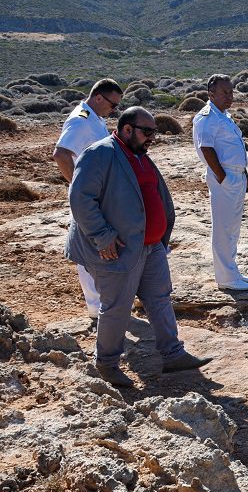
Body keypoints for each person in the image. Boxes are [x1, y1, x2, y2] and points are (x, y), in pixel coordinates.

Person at [66, 106, 212, 388]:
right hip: (116, 248)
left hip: (150, 245)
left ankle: (173, 354)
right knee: (117, 307)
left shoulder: (140, 156)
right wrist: (102, 236)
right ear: (127, 129)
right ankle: (106, 364)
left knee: (159, 298)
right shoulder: (100, 153)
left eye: (154, 132)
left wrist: (160, 235)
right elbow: (80, 198)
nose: (152, 138)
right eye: (147, 132)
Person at [53, 78, 123, 318]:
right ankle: (95, 306)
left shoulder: (95, 118)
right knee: (87, 246)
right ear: (99, 98)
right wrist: (78, 187)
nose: (114, 110)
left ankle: (101, 301)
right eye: (113, 105)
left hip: (97, 192)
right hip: (87, 195)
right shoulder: (80, 120)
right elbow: (61, 154)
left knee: (96, 244)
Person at [191, 74, 248, 290]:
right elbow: (206, 148)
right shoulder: (207, 117)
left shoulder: (224, 116)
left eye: (231, 91)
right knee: (223, 228)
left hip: (235, 176)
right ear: (211, 93)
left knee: (232, 228)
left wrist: (245, 176)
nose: (230, 96)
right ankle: (226, 278)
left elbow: (233, 149)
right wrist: (222, 177)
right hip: (225, 178)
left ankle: (231, 271)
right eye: (225, 92)